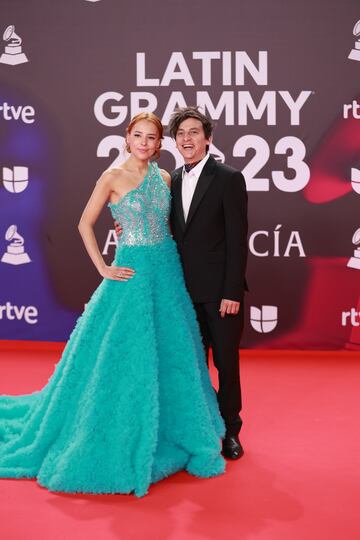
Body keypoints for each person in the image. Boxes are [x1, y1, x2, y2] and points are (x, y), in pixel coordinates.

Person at [0, 112, 225, 498]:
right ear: (127, 138)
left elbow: (171, 226)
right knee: (123, 352)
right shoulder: (112, 177)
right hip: (131, 271)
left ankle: (176, 423)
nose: (144, 142)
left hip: (167, 270)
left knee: (174, 351)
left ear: (158, 145)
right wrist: (104, 266)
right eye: (138, 135)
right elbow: (84, 224)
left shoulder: (165, 177)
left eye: (151, 137)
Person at [168, 107, 248, 460]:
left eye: (194, 132)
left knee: (226, 365)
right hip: (182, 292)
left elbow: (237, 238)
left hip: (219, 294)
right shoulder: (170, 180)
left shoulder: (229, 178)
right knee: (192, 366)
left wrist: (232, 291)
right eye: (181, 133)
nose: (187, 138)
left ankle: (231, 430)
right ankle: (199, 431)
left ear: (208, 138)